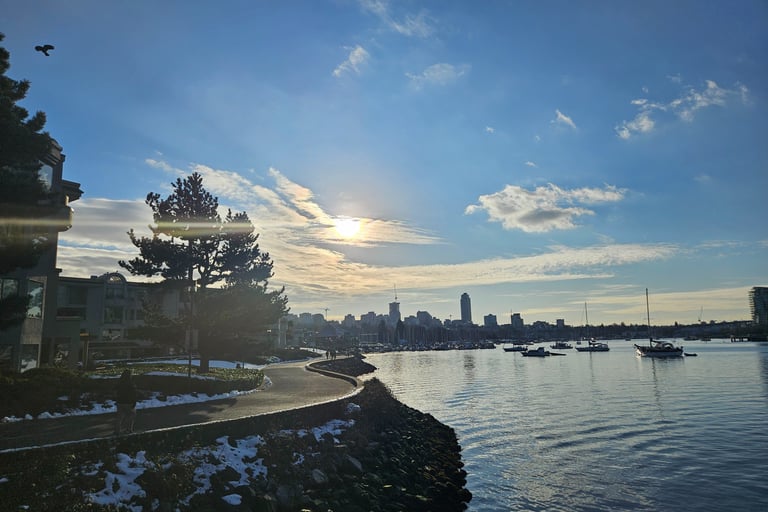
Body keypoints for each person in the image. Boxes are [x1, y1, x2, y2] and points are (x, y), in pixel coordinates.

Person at [114, 369, 137, 435]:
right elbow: (133, 394)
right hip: (128, 403)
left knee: (119, 417)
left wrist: (117, 398)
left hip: (120, 402)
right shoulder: (131, 383)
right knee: (131, 415)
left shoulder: (119, 382)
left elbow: (114, 390)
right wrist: (134, 402)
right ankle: (128, 429)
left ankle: (117, 431)